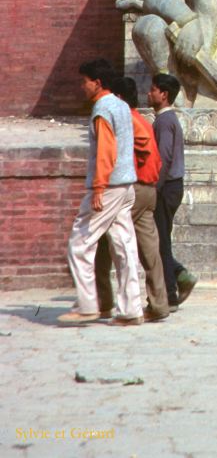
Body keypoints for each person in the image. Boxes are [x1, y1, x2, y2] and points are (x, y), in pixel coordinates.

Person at [59, 59, 144, 326]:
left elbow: (106, 151)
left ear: (97, 83)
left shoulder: (103, 108)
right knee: (124, 247)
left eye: (83, 81)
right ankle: (131, 310)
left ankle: (87, 305)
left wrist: (98, 187)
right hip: (126, 184)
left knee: (80, 243)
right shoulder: (121, 105)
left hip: (107, 187)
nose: (81, 86)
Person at [94, 76, 170, 323]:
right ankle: (159, 304)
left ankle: (105, 302)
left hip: (133, 188)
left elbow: (135, 150)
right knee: (150, 251)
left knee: (105, 243)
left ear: (117, 98)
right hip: (149, 189)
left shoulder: (125, 120)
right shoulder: (142, 120)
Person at [149, 73, 197, 312]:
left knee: (161, 242)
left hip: (166, 186)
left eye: (153, 90)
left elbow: (164, 156)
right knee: (160, 240)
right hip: (170, 185)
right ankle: (178, 277)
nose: (150, 94)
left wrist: (155, 187)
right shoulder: (166, 120)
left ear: (164, 95)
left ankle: (170, 293)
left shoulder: (165, 121)